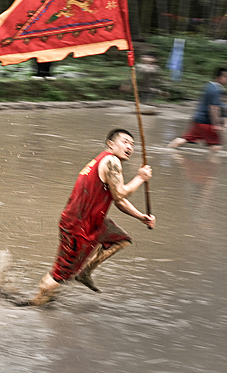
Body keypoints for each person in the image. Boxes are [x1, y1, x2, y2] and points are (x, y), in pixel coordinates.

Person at [30, 129, 155, 306]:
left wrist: (141, 217)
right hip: (77, 225)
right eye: (125, 142)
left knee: (121, 240)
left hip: (93, 221)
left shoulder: (106, 160)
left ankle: (85, 272)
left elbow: (118, 201)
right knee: (60, 274)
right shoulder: (111, 160)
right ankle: (33, 306)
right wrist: (141, 177)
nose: (129, 147)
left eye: (132, 144)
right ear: (111, 144)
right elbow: (120, 193)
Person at [167, 67, 227, 153]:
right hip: (206, 122)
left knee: (184, 139)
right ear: (220, 77)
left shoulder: (209, 86)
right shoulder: (216, 90)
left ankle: (167, 150)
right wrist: (216, 124)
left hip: (198, 120)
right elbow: (214, 108)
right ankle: (212, 164)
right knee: (216, 146)